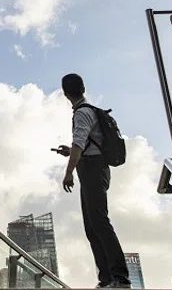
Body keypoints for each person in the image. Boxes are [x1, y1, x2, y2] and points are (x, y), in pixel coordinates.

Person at [53, 73, 131, 288]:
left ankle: (119, 278)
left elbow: (79, 144)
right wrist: (70, 152)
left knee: (100, 223)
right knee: (92, 226)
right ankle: (106, 279)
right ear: (83, 88)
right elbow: (85, 145)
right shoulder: (90, 111)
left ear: (65, 93)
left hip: (92, 170)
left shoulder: (81, 113)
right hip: (95, 168)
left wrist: (68, 173)